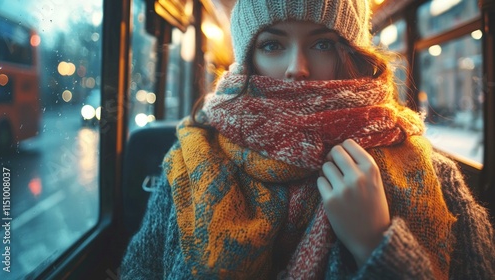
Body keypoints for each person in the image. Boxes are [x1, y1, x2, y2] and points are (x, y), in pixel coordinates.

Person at [121, 0, 495, 279]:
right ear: (247, 59)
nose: (296, 68)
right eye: (272, 45)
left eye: (321, 45)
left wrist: (376, 245)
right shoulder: (193, 162)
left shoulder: (431, 174)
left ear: (349, 54)